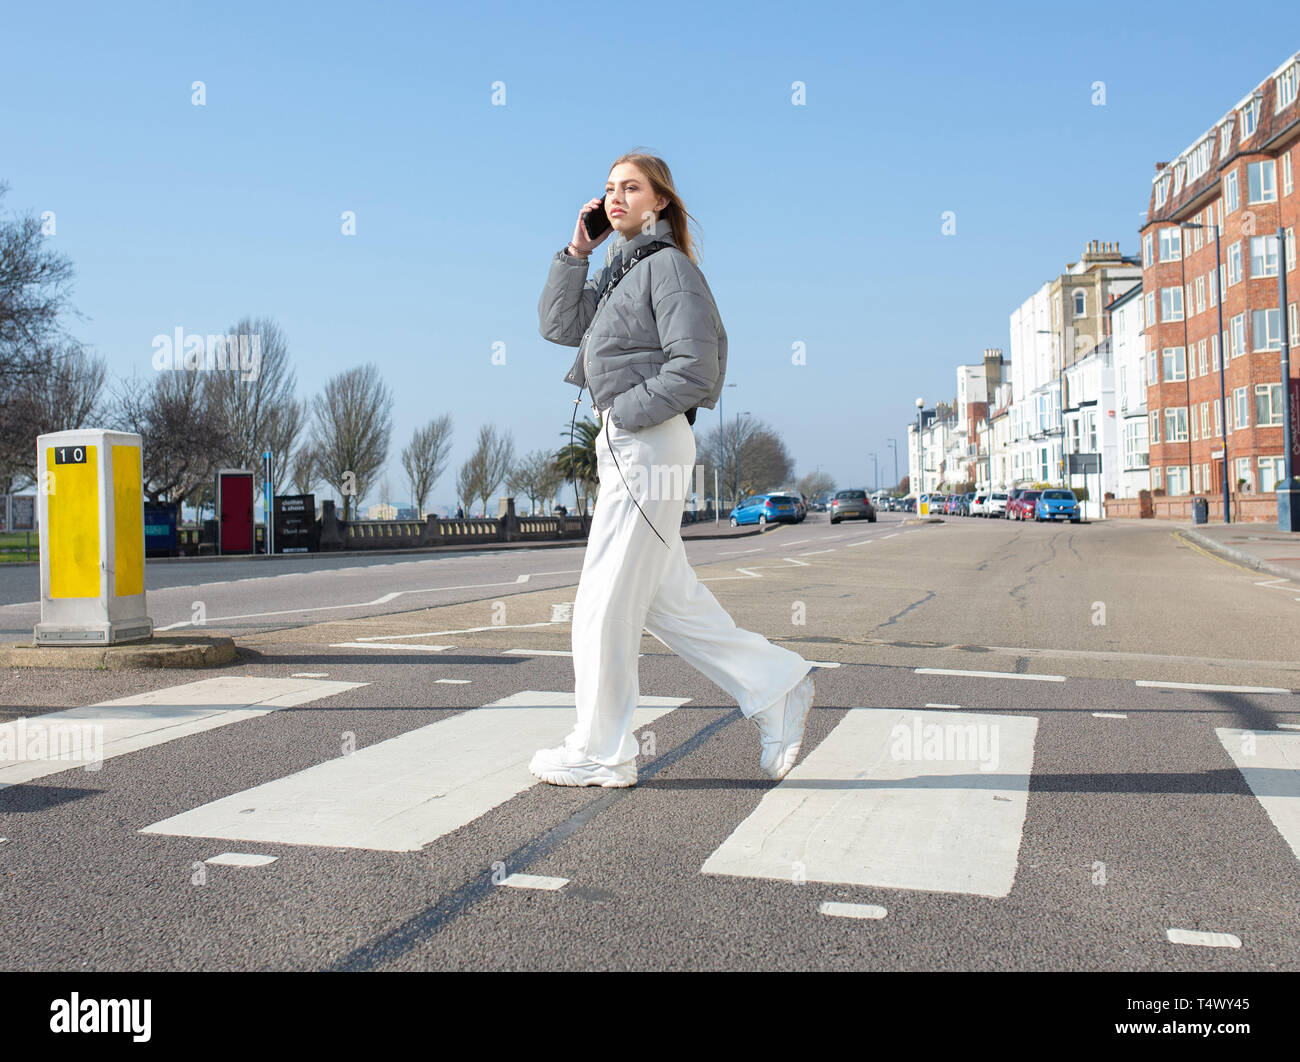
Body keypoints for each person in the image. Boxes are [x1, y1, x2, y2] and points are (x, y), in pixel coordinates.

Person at [531, 151, 814, 789]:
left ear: (660, 200)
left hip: (647, 446)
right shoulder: (617, 270)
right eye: (608, 189)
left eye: (630, 187)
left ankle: (600, 749)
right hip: (630, 445)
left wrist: (626, 414)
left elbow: (697, 369)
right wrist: (575, 252)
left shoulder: (670, 269)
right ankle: (778, 687)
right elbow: (557, 326)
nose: (615, 198)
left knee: (602, 602)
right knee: (669, 603)